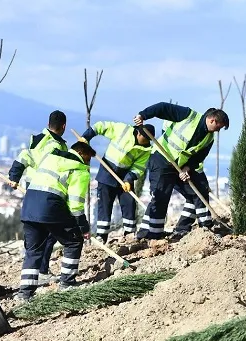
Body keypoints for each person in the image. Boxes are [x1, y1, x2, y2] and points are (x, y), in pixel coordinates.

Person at [132, 103, 229, 240]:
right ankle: (151, 235)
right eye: (218, 128)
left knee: (197, 191)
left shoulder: (209, 138)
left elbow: (199, 157)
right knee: (161, 196)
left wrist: (187, 169)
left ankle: (197, 229)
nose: (217, 131)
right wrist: (143, 115)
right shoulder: (188, 116)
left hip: (179, 166)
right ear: (212, 120)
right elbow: (163, 108)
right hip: (161, 160)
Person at [15, 141, 96, 302]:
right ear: (80, 153)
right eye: (88, 159)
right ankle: (67, 283)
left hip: (29, 205)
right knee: (73, 241)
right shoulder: (80, 171)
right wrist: (83, 228)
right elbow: (75, 205)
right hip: (50, 207)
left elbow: (26, 156)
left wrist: (14, 174)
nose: (88, 163)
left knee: (33, 250)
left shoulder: (50, 157)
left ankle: (25, 294)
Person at [8, 111, 68, 284]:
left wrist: (14, 176)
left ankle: (37, 272)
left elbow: (24, 157)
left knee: (40, 232)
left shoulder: (41, 140)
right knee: (50, 232)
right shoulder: (52, 145)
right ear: (63, 126)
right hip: (45, 192)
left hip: (35, 191)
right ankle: (40, 272)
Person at [80, 121, 153, 242]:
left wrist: (129, 179)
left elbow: (139, 167)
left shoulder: (147, 149)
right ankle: (101, 236)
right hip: (107, 170)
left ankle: (129, 234)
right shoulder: (123, 130)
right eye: (145, 139)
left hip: (124, 176)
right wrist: (86, 136)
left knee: (129, 203)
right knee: (104, 204)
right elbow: (101, 126)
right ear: (139, 134)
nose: (147, 143)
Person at [170, 164, 213, 237]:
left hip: (182, 170)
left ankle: (182, 228)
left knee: (192, 198)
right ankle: (205, 227)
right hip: (182, 170)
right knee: (200, 194)